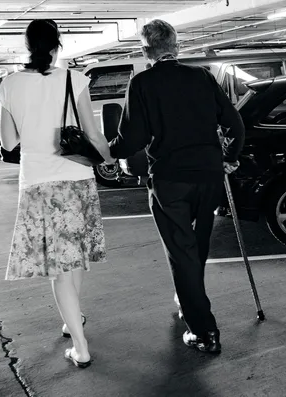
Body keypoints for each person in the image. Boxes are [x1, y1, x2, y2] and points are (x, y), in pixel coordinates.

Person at [109, 19, 245, 354]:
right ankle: (189, 300)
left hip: (170, 181)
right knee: (195, 247)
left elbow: (132, 141)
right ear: (177, 46)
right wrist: (229, 155)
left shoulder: (142, 83)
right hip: (209, 177)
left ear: (145, 52)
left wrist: (108, 150)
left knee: (182, 254)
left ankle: (204, 331)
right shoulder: (201, 76)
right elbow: (235, 123)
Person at [0, 19, 115, 368]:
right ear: (56, 45)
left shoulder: (10, 85)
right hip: (77, 177)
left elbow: (7, 142)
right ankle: (72, 320)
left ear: (28, 44)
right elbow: (93, 134)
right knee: (74, 259)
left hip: (38, 184)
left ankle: (80, 347)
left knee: (60, 270)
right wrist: (112, 157)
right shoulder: (74, 79)